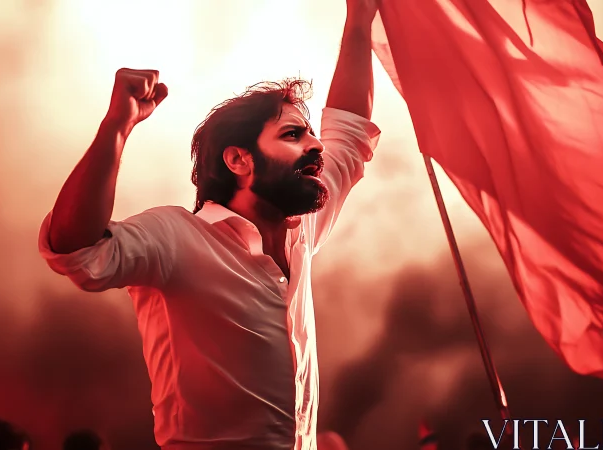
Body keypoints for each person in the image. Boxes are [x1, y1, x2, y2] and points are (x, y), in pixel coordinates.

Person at [38, 1, 381, 448]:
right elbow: (75, 249)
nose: (316, 145)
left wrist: (359, 20)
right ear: (239, 160)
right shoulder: (176, 238)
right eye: (293, 134)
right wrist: (116, 127)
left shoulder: (302, 231)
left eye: (311, 133)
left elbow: (349, 133)